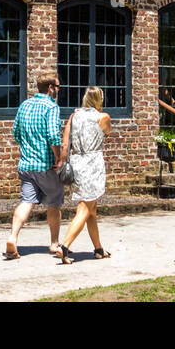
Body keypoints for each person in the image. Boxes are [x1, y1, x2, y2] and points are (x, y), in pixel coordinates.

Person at [4, 75, 65, 260]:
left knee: (26, 201)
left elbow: (16, 132)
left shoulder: (25, 105)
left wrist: (28, 148)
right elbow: (54, 136)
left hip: (26, 164)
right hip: (46, 165)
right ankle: (54, 243)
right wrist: (58, 158)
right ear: (50, 88)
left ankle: (12, 238)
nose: (58, 90)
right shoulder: (51, 107)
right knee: (54, 203)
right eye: (58, 87)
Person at [56, 87, 113, 264]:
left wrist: (63, 163)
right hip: (92, 163)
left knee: (92, 210)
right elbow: (107, 132)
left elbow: (65, 144)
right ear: (99, 99)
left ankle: (98, 249)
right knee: (85, 208)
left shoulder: (74, 116)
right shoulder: (103, 117)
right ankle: (64, 246)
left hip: (76, 162)